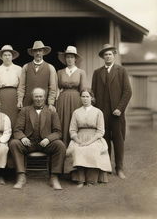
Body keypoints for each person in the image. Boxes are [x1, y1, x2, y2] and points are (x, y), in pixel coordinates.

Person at [9, 87, 66, 190]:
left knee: (60, 145)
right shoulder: (25, 110)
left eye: (40, 96)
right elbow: (17, 130)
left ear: (44, 98)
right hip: (29, 144)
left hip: (45, 144)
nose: (38, 99)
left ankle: (54, 177)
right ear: (32, 97)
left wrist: (48, 139)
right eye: (36, 96)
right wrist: (22, 138)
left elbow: (58, 132)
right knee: (14, 143)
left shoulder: (51, 111)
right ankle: (21, 176)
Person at [92, 44, 132, 179]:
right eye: (105, 54)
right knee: (104, 140)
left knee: (119, 140)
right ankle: (106, 167)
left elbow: (127, 92)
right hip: (102, 113)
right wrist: (96, 110)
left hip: (117, 114)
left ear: (114, 55)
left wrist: (120, 109)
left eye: (110, 54)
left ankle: (119, 168)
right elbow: (94, 93)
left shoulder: (121, 71)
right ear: (103, 57)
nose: (108, 56)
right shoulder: (97, 73)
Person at [65, 89, 112, 188]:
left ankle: (91, 179)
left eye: (87, 96)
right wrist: (78, 140)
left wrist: (89, 142)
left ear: (92, 98)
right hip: (79, 137)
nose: (85, 99)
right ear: (80, 98)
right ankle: (80, 179)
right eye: (83, 96)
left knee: (93, 149)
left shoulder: (98, 112)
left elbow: (100, 131)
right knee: (77, 149)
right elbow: (72, 130)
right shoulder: (76, 112)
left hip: (95, 138)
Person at [56, 46, 87, 147]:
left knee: (75, 121)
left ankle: (76, 146)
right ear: (65, 59)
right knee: (63, 122)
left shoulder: (81, 72)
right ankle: (63, 147)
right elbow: (57, 88)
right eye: (68, 57)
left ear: (75, 59)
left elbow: (83, 89)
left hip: (76, 99)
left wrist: (85, 103)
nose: (69, 59)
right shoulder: (59, 72)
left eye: (72, 57)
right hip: (63, 99)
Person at [17, 40, 57, 112]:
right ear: (32, 53)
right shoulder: (26, 67)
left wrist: (51, 103)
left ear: (43, 52)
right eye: (35, 51)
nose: (38, 53)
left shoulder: (50, 67)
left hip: (43, 102)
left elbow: (52, 87)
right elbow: (21, 86)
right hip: (28, 101)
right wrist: (20, 100)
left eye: (40, 51)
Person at [0, 45, 22, 128]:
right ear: (1, 57)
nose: (7, 57)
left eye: (9, 55)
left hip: (14, 95)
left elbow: (21, 86)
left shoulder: (18, 69)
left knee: (15, 116)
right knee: (3, 116)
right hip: (2, 96)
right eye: (5, 55)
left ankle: (15, 137)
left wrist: (20, 100)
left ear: (12, 56)